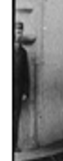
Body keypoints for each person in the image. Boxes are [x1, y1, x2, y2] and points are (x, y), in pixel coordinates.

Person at [14, 22, 30, 152]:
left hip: (18, 90)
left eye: (20, 32)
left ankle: (13, 145)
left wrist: (25, 91)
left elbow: (26, 73)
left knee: (15, 117)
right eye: (16, 32)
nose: (18, 35)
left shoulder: (23, 53)